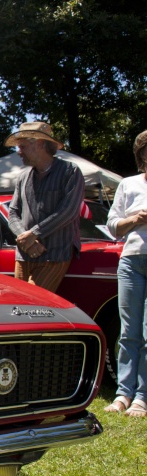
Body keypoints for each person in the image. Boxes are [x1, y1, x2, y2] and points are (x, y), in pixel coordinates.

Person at [5, 122, 85, 292]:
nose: (18, 152)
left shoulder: (70, 171)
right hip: (25, 254)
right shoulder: (23, 177)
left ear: (40, 144)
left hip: (55, 254)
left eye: (22, 146)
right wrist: (26, 238)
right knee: (19, 306)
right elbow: (12, 212)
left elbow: (68, 211)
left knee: (31, 304)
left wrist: (34, 234)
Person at [104, 130, 147, 417]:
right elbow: (112, 226)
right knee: (128, 331)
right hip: (131, 260)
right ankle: (123, 394)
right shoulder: (128, 184)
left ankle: (142, 397)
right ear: (141, 155)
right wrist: (134, 219)